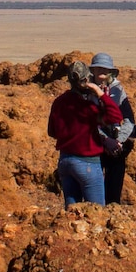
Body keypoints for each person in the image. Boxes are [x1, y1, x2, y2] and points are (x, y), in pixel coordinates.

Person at [48, 61, 123, 207]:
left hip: (65, 161)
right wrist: (100, 93)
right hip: (88, 163)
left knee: (72, 212)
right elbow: (115, 116)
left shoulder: (59, 102)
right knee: (96, 212)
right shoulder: (87, 107)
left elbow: (52, 132)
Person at [90, 52, 136, 205]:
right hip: (94, 146)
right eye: (99, 68)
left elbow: (129, 119)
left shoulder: (118, 90)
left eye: (105, 68)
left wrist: (118, 141)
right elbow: (86, 122)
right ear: (93, 71)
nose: (102, 72)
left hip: (116, 148)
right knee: (93, 194)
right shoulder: (86, 91)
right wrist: (105, 139)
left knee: (114, 192)